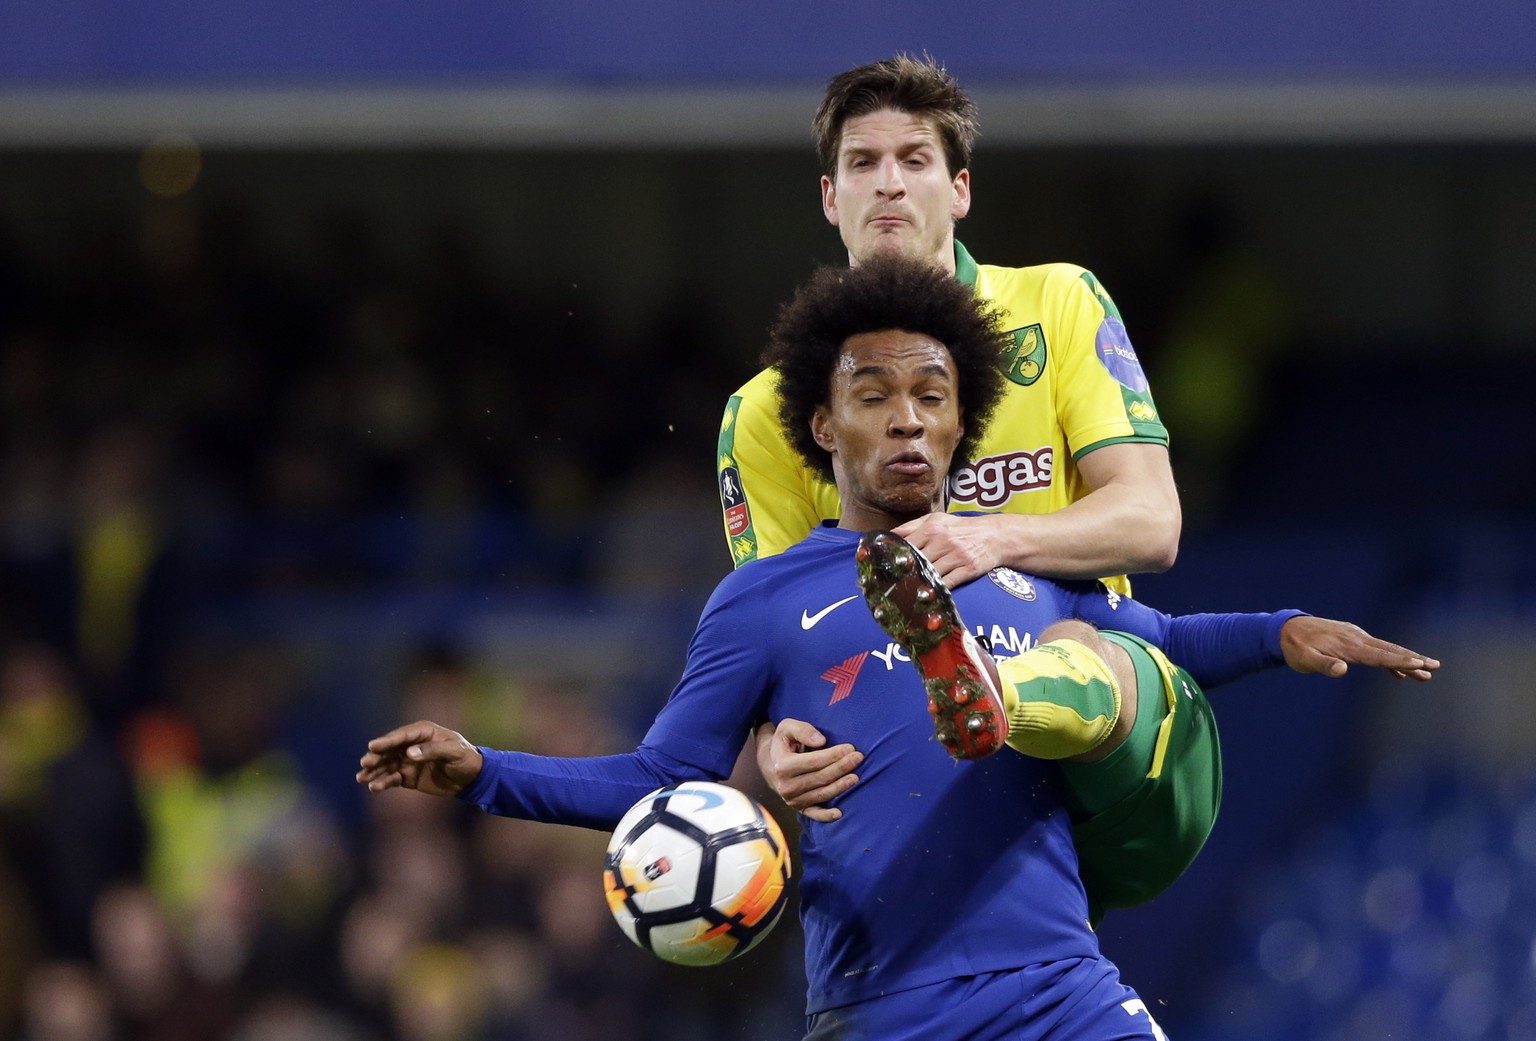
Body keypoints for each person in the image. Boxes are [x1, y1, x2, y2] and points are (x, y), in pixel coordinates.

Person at [360, 258, 1435, 1041]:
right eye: (874, 397)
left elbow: (1165, 639)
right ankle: (983, 693)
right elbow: (662, 782)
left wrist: (1286, 634)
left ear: (963, 426)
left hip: (1059, 987)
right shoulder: (760, 601)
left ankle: (993, 698)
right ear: (824, 428)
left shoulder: (1024, 567)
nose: (908, 421)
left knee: (1106, 664)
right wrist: (484, 772)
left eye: (933, 398)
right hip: (885, 1009)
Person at [718, 53, 1179, 593]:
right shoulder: (763, 410)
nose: (889, 184)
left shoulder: (1059, 304)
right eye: (863, 163)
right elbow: (776, 614)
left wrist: (991, 540)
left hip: (1075, 654)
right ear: (831, 198)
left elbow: (1151, 523)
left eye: (915, 161)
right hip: (891, 673)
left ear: (959, 190)